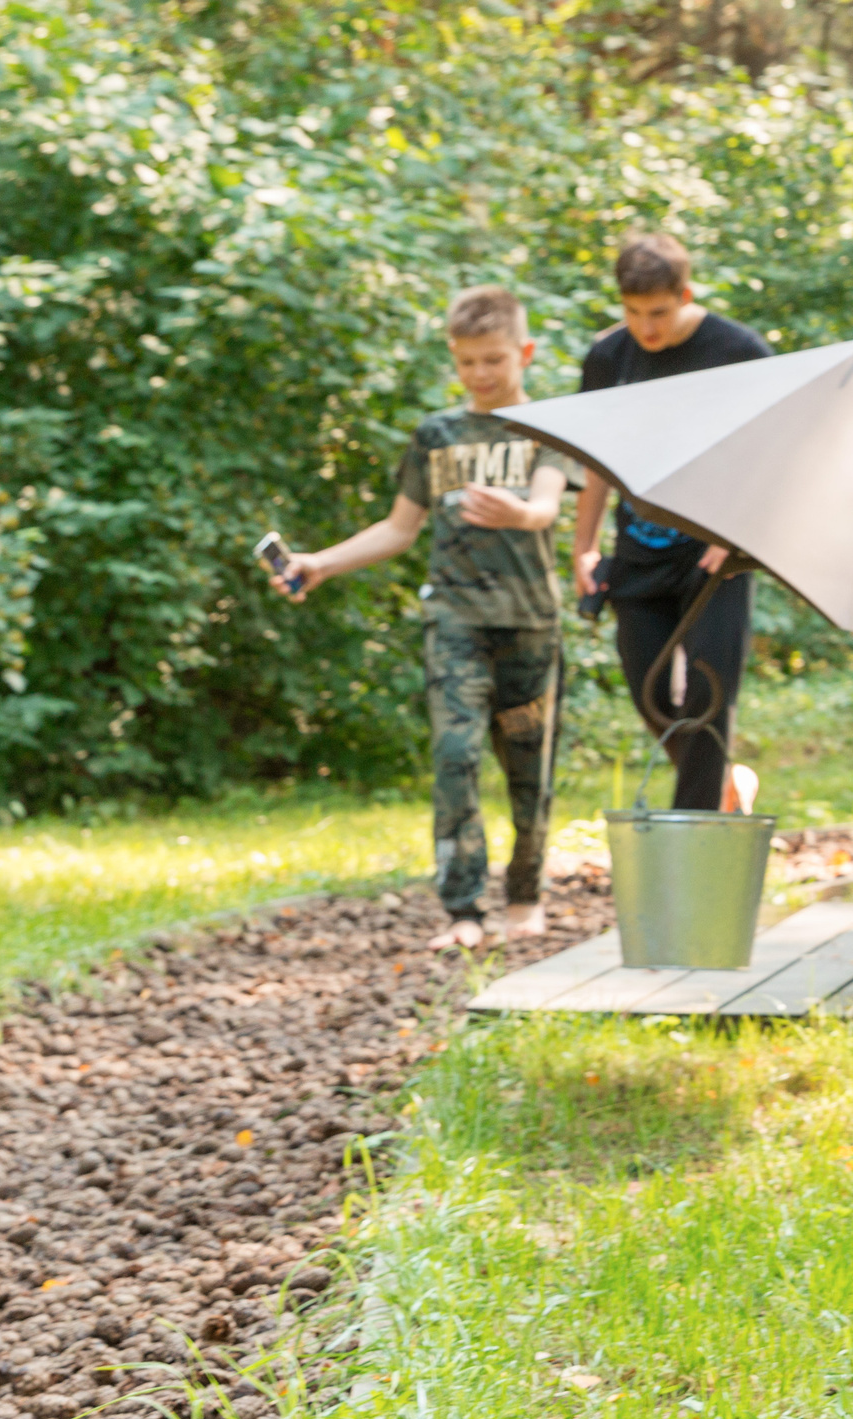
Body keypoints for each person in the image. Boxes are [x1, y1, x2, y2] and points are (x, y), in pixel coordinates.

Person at [276, 285, 579, 952]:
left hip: (530, 624)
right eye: (467, 361)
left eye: (494, 359)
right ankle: (463, 909)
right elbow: (397, 528)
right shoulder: (436, 435)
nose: (480, 373)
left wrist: (517, 510)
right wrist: (321, 562)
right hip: (455, 623)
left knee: (531, 769)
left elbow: (547, 507)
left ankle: (526, 894)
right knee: (454, 757)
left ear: (524, 352)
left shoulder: (552, 425)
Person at [572, 233, 771, 814]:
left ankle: (695, 837)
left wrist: (730, 532)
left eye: (658, 313)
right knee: (651, 696)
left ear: (685, 294)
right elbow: (595, 459)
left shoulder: (738, 351)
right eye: (632, 314)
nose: (646, 329)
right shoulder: (608, 356)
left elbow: (771, 455)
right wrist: (584, 547)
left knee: (708, 698)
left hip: (718, 553)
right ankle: (725, 784)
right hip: (639, 547)